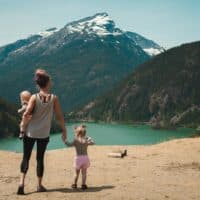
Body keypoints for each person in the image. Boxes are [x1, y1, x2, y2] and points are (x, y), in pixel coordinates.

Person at [17, 69, 67, 195]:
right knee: (40, 159)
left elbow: (27, 113)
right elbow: (59, 116)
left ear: (39, 84)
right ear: (48, 83)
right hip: (43, 134)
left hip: (30, 133)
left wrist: (23, 125)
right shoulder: (54, 98)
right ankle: (39, 185)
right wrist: (64, 129)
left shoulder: (34, 97)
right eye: (50, 80)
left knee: (26, 157)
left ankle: (21, 184)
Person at [65, 125, 94, 190]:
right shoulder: (86, 140)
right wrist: (90, 138)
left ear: (77, 133)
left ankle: (74, 184)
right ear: (85, 133)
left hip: (78, 158)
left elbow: (69, 145)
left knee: (76, 173)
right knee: (84, 173)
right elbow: (93, 143)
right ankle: (83, 185)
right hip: (85, 158)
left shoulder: (76, 140)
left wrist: (65, 141)